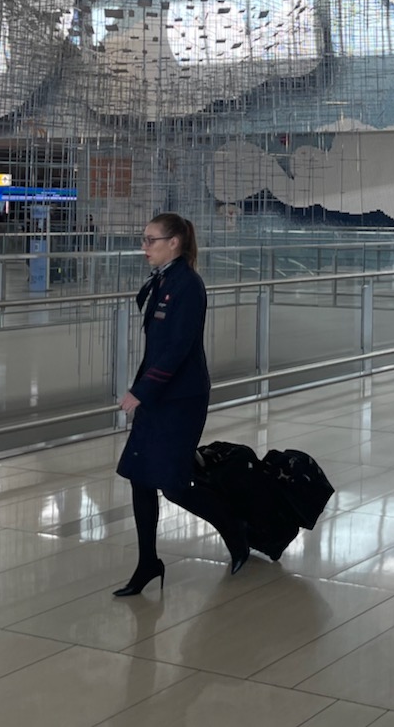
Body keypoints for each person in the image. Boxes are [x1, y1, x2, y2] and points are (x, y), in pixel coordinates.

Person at [113, 212, 248, 596]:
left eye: (151, 240)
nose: (145, 248)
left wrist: (141, 390)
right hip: (159, 395)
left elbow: (176, 349)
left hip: (181, 398)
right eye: (144, 239)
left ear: (174, 242)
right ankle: (147, 563)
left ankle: (233, 528)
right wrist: (144, 389)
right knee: (140, 478)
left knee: (173, 486)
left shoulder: (187, 285)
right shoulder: (165, 281)